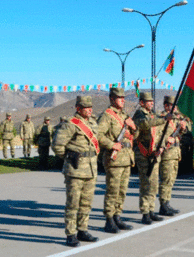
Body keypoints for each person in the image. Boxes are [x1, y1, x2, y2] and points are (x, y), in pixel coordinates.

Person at [52, 96, 99, 247]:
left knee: (86, 203)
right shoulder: (71, 124)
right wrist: (68, 157)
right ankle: (70, 233)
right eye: (86, 107)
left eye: (90, 107)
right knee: (73, 204)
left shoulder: (92, 123)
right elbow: (57, 145)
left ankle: (83, 230)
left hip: (91, 170)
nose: (89, 109)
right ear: (78, 108)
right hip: (75, 170)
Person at [97, 88, 138, 233]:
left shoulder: (124, 115)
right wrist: (111, 144)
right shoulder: (107, 116)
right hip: (114, 160)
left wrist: (133, 127)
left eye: (123, 97)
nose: (123, 100)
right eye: (119, 97)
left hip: (126, 158)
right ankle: (109, 220)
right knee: (112, 191)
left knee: (122, 191)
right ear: (112, 99)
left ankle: (117, 216)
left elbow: (135, 136)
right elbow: (98, 135)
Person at [133, 92, 172, 225]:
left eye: (152, 101)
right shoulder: (140, 115)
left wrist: (160, 147)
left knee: (154, 184)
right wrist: (164, 118)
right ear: (141, 102)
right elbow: (145, 124)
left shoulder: (152, 115)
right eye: (148, 101)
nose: (151, 103)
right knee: (146, 184)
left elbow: (160, 134)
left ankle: (151, 210)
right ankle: (145, 212)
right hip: (143, 154)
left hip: (154, 154)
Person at [159, 95, 187, 216]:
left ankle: (167, 202)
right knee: (166, 180)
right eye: (172, 106)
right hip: (167, 153)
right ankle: (163, 205)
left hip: (175, 153)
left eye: (175, 106)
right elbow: (157, 134)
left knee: (171, 180)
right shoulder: (162, 118)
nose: (175, 108)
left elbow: (180, 134)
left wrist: (182, 128)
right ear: (166, 106)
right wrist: (167, 139)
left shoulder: (176, 119)